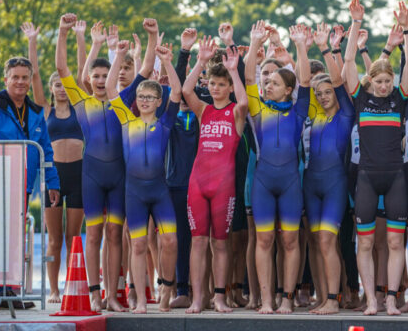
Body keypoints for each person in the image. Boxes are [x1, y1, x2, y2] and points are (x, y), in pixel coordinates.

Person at [0, 56, 60, 311]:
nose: (20, 82)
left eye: (25, 77)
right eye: (15, 77)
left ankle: (8, 291)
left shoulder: (35, 112)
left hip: (23, 186)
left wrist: (52, 182)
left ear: (31, 81)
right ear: (6, 79)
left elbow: (46, 151)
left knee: (14, 240)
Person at [56, 13, 133, 312]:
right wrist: (63, 32)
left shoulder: (121, 100)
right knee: (94, 233)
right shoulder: (81, 101)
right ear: (89, 79)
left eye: (106, 76)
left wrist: (121, 54)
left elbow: (140, 74)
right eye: (96, 76)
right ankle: (94, 293)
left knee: (115, 234)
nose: (101, 81)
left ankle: (113, 294)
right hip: (92, 175)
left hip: (118, 175)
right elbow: (62, 68)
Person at [343, 0, 408, 316]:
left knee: (397, 244)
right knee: (367, 244)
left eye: (389, 81)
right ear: (370, 81)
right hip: (367, 179)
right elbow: (347, 62)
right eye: (380, 81)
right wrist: (355, 23)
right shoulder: (360, 99)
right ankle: (370, 298)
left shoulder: (399, 99)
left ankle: (390, 298)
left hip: (396, 178)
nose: (385, 86)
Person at [106, 38, 180, 314]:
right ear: (136, 100)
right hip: (134, 192)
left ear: (158, 101)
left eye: (150, 97)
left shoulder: (165, 122)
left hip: (159, 190)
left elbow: (177, 92)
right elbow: (112, 88)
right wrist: (120, 55)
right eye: (141, 97)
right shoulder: (127, 120)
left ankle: (166, 289)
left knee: (170, 241)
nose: (146, 101)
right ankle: (138, 298)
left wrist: (169, 63)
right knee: (137, 245)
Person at [245, 21, 311, 314]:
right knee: (264, 239)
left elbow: (306, 81)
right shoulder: (259, 110)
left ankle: (287, 297)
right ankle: (267, 299)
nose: (267, 84)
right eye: (266, 81)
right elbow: (248, 76)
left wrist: (299, 47)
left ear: (287, 90)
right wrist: (255, 43)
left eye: (273, 82)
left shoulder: (298, 111)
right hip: (263, 181)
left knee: (291, 240)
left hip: (289, 183)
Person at [181, 38, 248, 314]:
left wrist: (233, 70)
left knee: (220, 244)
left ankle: (219, 297)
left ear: (229, 88)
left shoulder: (236, 112)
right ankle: (199, 298)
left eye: (222, 85)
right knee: (198, 241)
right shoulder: (203, 110)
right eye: (213, 84)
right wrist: (200, 62)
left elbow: (244, 100)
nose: (216, 88)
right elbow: (186, 90)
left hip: (224, 187)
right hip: (198, 184)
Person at [21, 21, 86, 304]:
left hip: (79, 175)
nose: (61, 88)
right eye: (56, 84)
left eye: (63, 84)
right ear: (50, 88)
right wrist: (32, 42)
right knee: (54, 239)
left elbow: (82, 74)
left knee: (74, 238)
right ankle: (54, 290)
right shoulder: (44, 109)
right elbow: (33, 76)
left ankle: (73, 287)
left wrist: (81, 39)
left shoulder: (80, 107)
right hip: (53, 177)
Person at [303, 23, 354, 315]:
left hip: (335, 183)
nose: (323, 96)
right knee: (316, 242)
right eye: (318, 93)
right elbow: (301, 83)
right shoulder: (314, 114)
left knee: (327, 240)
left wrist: (325, 46)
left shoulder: (345, 114)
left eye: (327, 92)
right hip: (311, 183)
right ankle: (323, 298)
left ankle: (333, 299)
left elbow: (338, 79)